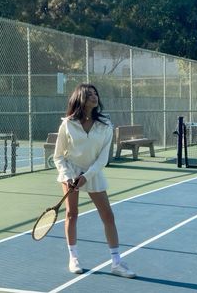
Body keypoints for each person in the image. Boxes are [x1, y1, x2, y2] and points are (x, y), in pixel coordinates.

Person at [54, 83, 135, 278]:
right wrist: (69, 175)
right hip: (70, 171)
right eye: (89, 94)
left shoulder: (105, 124)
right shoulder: (67, 124)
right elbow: (58, 156)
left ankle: (116, 262)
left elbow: (102, 158)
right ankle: (73, 258)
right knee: (71, 214)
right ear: (80, 98)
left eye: (95, 93)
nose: (94, 96)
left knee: (108, 216)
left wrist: (85, 177)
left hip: (93, 173)